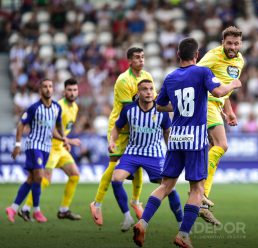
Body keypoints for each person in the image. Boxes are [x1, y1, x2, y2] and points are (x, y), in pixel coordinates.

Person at [132, 37, 241, 248]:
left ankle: (143, 222)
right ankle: (183, 234)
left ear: (178, 55)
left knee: (166, 185)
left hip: (175, 138)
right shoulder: (202, 72)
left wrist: (178, 106)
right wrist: (233, 84)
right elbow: (218, 92)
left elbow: (160, 106)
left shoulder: (171, 77)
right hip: (195, 139)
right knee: (197, 190)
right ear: (197, 55)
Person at [90, 47, 155, 226]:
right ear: (129, 61)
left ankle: (135, 201)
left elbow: (152, 101)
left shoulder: (147, 76)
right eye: (137, 58)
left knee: (139, 164)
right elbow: (129, 110)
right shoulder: (123, 80)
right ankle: (96, 203)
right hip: (120, 128)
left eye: (143, 57)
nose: (141, 60)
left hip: (137, 128)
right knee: (114, 166)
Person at [109, 79, 182, 232]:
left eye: (151, 89)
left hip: (154, 154)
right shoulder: (129, 110)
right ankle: (128, 217)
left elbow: (167, 132)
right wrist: (112, 141)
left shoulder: (161, 111)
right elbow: (116, 127)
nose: (149, 92)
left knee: (169, 188)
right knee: (116, 179)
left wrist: (171, 151)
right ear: (138, 92)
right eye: (144, 89)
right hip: (132, 152)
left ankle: (182, 222)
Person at [196, 26, 245, 225]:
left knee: (209, 151)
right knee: (222, 145)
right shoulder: (213, 56)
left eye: (236, 43)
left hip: (217, 105)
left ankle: (200, 201)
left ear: (240, 44)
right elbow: (195, 73)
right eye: (229, 43)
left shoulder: (240, 61)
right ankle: (201, 194)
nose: (232, 47)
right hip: (205, 103)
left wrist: (230, 109)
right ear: (222, 42)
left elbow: (223, 85)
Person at [6, 79, 68, 223]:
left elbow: (56, 128)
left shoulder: (57, 108)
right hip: (34, 145)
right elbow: (21, 125)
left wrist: (64, 139)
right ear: (40, 90)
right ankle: (37, 210)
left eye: (50, 86)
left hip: (46, 148)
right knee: (40, 176)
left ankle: (13, 208)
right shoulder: (34, 108)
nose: (48, 89)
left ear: (53, 89)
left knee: (32, 179)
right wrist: (17, 145)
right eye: (45, 86)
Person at [20, 78, 82, 221]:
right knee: (44, 179)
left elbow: (63, 129)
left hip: (60, 148)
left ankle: (64, 210)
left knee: (75, 174)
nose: (72, 93)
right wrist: (68, 140)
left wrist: (65, 141)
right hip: (49, 148)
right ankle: (25, 209)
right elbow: (50, 129)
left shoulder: (75, 108)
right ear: (64, 91)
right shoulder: (58, 106)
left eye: (75, 90)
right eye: (69, 90)